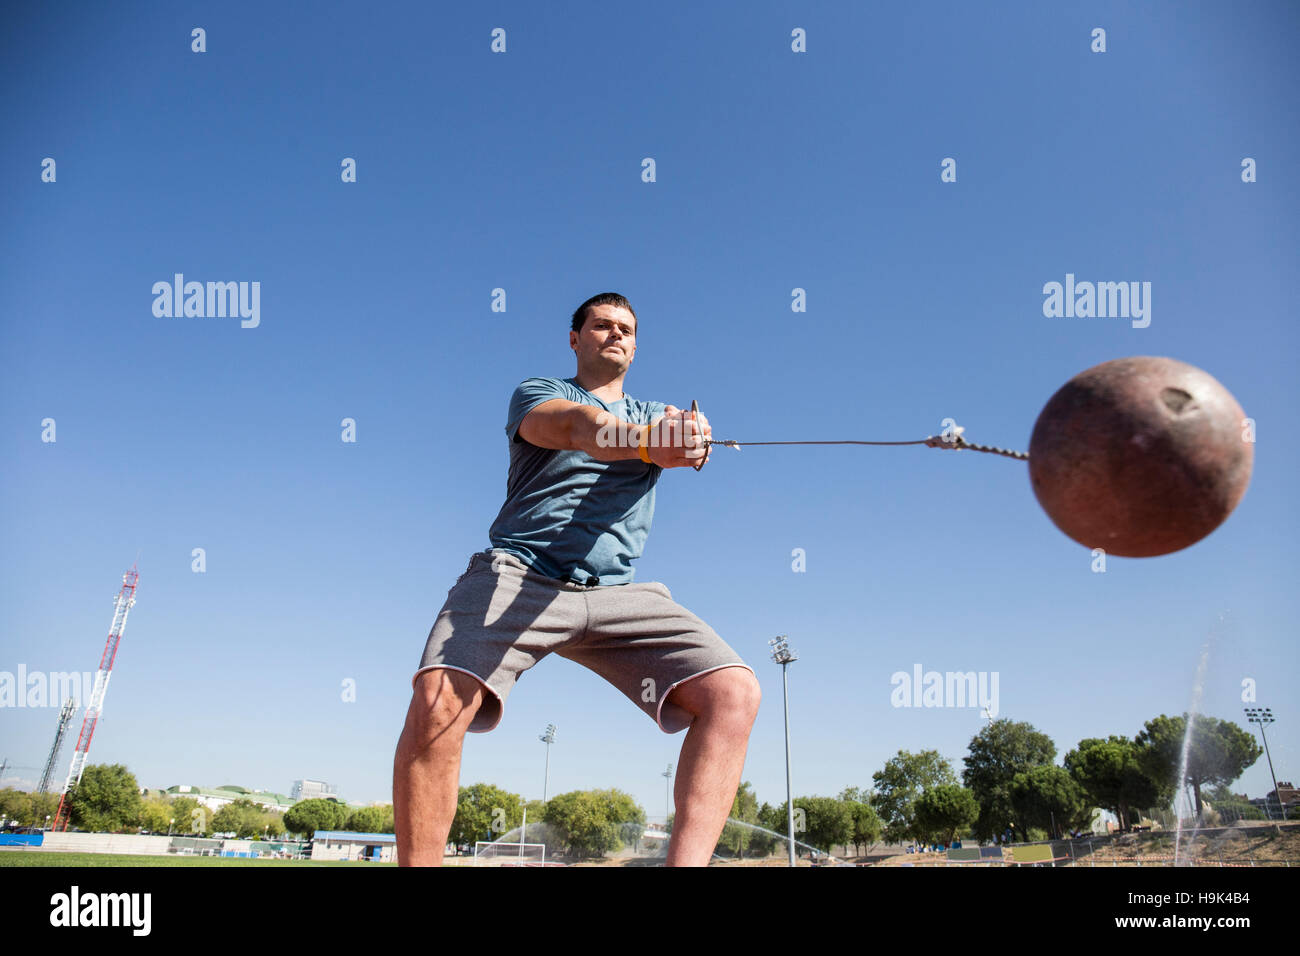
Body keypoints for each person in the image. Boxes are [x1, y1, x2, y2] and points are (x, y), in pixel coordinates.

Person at [392, 292, 761, 867]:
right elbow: (576, 428)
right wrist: (644, 443)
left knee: (733, 692)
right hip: (519, 575)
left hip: (617, 595)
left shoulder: (656, 412)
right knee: (439, 697)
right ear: (575, 339)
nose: (615, 334)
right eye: (601, 325)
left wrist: (689, 435)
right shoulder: (541, 394)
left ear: (636, 347)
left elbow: (680, 434)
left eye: (626, 329)